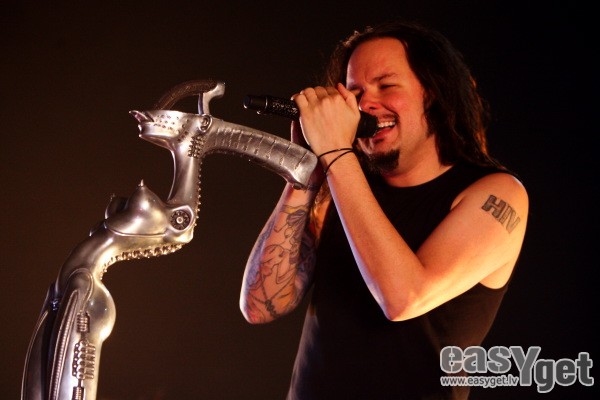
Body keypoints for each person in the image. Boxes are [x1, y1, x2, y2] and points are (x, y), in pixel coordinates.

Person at [239, 19, 528, 400]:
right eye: (354, 91)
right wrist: (304, 174)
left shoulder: (497, 193)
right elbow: (261, 306)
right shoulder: (342, 185)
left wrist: (335, 152)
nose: (365, 104)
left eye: (386, 86)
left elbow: (403, 298)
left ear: (433, 94)